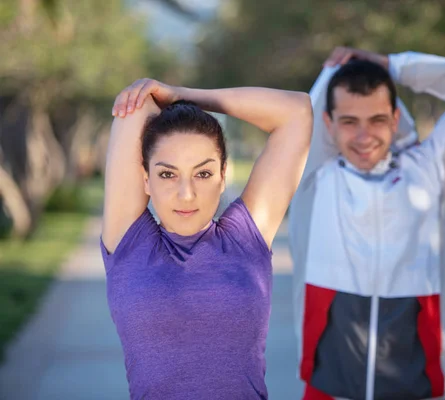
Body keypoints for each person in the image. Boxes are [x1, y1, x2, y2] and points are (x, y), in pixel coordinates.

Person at [289, 47, 445, 400]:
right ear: (328, 123)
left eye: (376, 120)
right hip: (330, 388)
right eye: (349, 121)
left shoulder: (432, 171)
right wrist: (335, 74)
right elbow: (302, 113)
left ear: (394, 119)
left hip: (416, 388)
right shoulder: (313, 178)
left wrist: (395, 66)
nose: (363, 137)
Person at [101, 79, 313, 399]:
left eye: (203, 173)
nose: (186, 195)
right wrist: (163, 101)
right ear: (145, 179)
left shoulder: (245, 237)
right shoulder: (129, 243)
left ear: (223, 176)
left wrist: (183, 96)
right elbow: (135, 108)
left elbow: (297, 112)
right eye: (167, 174)